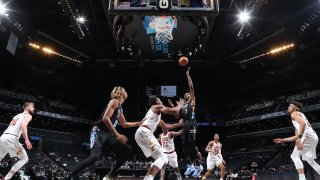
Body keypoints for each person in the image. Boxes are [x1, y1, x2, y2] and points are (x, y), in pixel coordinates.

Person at [69, 86, 142, 180]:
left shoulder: (120, 108)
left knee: (127, 149)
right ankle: (71, 174)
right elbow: (105, 118)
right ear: (120, 93)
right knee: (95, 156)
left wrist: (139, 123)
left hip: (108, 134)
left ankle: (111, 174)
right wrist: (117, 134)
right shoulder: (115, 101)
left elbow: (124, 124)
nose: (126, 91)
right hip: (98, 132)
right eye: (124, 90)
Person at [135, 96, 184, 180]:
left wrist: (178, 125)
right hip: (145, 132)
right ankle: (149, 178)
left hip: (141, 133)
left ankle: (148, 177)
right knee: (163, 158)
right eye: (160, 99)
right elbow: (174, 110)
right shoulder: (156, 106)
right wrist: (180, 105)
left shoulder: (155, 114)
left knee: (160, 159)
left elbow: (165, 127)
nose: (161, 101)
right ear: (157, 101)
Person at [274, 101, 320, 180]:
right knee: (310, 160)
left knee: (294, 156)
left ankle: (302, 178)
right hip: (313, 137)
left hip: (306, 136)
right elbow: (296, 136)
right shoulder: (301, 115)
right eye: (289, 106)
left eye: (290, 106)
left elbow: (303, 124)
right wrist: (283, 140)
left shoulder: (294, 113)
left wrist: (300, 138)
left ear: (296, 108)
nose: (288, 107)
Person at [0, 102, 34, 180]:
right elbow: (23, 126)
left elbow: (10, 126)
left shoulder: (16, 116)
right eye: (32, 106)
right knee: (24, 159)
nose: (33, 108)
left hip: (3, 137)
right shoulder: (28, 115)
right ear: (26, 108)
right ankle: (7, 178)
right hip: (11, 138)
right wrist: (26, 140)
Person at [176, 67, 198, 175]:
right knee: (184, 145)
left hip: (192, 123)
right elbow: (178, 116)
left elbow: (191, 87)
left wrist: (188, 75)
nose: (188, 94)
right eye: (187, 94)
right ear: (184, 97)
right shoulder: (183, 104)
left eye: (189, 93)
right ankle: (190, 165)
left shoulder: (192, 101)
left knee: (191, 144)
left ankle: (198, 165)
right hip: (185, 125)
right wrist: (175, 107)